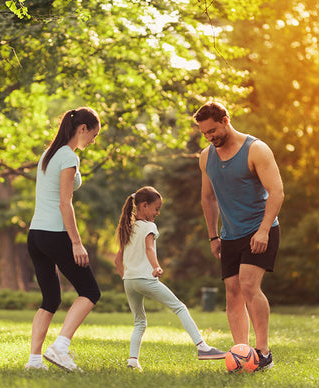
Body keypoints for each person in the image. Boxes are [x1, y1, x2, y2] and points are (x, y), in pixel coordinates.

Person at [194, 101, 284, 370]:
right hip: (229, 235)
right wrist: (213, 236)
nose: (210, 137)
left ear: (225, 120)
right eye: (204, 133)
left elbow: (277, 192)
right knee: (232, 292)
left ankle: (263, 352)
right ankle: (242, 354)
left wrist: (264, 230)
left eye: (212, 130)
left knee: (248, 284)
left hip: (260, 229)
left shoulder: (255, 150)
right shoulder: (206, 157)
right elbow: (207, 198)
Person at [114, 186, 226, 371]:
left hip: (130, 282)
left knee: (139, 322)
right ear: (143, 205)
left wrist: (127, 277)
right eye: (156, 208)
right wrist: (156, 266)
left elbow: (118, 260)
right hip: (146, 279)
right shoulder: (149, 226)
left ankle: (132, 361)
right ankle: (203, 348)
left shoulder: (129, 228)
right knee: (180, 308)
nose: (158, 213)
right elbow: (149, 248)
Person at [25, 107, 101, 371]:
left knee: (50, 299)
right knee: (90, 291)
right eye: (93, 135)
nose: (93, 141)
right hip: (54, 234)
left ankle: (35, 361)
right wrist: (77, 243)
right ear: (82, 129)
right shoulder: (67, 156)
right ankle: (60, 347)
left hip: (35, 235)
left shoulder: (49, 154)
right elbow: (65, 203)